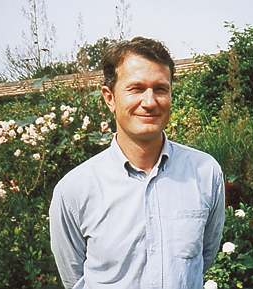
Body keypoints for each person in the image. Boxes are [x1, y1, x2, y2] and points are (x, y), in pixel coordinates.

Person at [49, 36, 225, 289]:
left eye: (161, 89)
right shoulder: (75, 189)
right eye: (136, 88)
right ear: (110, 98)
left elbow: (203, 258)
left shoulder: (205, 173)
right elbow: (74, 277)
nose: (150, 101)